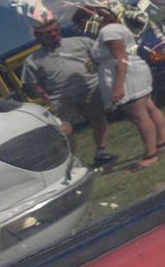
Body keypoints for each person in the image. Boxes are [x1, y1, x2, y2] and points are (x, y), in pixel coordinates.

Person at [74, 6, 165, 172]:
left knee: (138, 116)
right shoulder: (114, 29)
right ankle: (163, 141)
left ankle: (151, 154)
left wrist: (118, 86)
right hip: (132, 71)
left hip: (127, 76)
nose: (82, 29)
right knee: (149, 108)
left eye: (81, 24)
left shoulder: (108, 32)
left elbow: (121, 57)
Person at [22, 19, 117, 168]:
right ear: (39, 36)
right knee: (65, 130)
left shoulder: (80, 42)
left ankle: (101, 152)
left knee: (99, 119)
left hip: (90, 88)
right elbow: (31, 83)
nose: (54, 34)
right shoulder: (32, 59)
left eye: (56, 30)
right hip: (60, 97)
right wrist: (44, 95)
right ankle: (70, 163)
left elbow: (102, 56)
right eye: (48, 33)